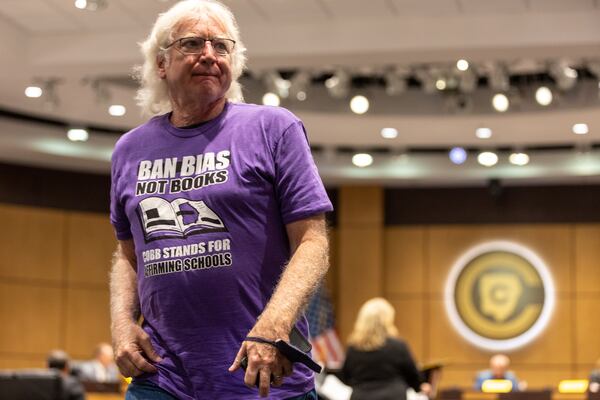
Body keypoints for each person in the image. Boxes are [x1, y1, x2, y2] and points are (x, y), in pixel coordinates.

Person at [109, 0, 332, 399]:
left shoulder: (274, 129)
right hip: (161, 377)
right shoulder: (130, 150)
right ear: (161, 63)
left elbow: (313, 242)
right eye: (192, 43)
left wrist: (274, 326)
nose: (209, 55)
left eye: (222, 46)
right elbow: (127, 256)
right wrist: (121, 324)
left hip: (261, 374)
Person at [341, 298, 431, 400]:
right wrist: (420, 386)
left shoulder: (354, 347)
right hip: (393, 396)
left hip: (361, 396)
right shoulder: (398, 346)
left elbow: (346, 377)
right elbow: (412, 375)